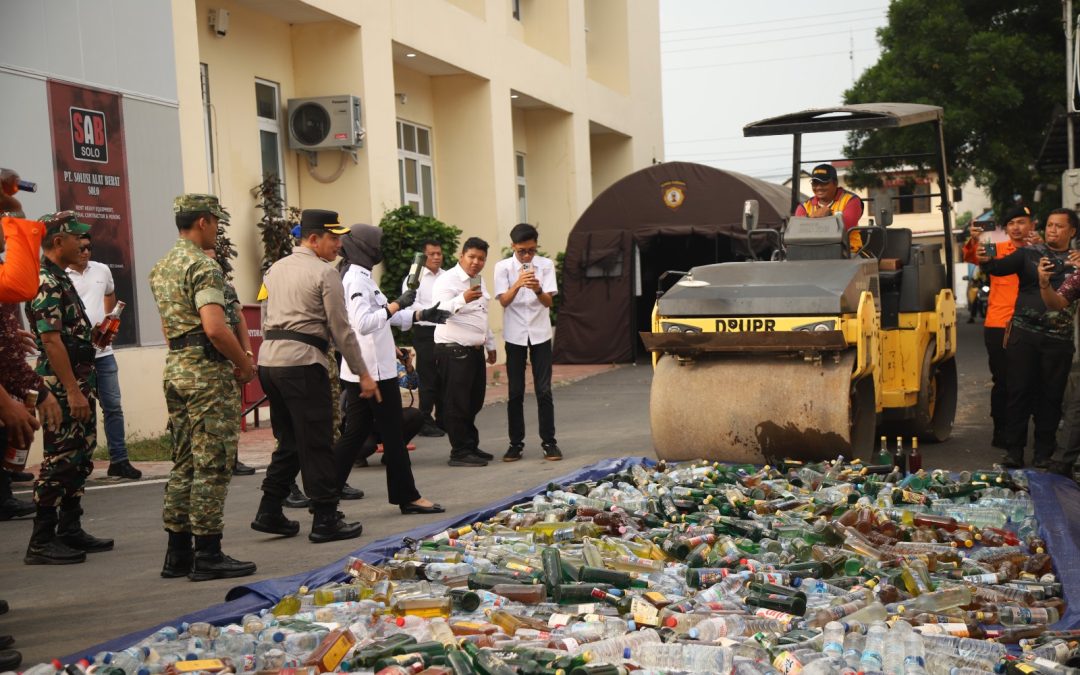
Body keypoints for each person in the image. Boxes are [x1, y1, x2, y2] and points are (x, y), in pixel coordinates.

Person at [149, 194, 256, 581]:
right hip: (207, 373)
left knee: (184, 463)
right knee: (212, 462)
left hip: (177, 366)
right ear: (204, 222)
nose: (217, 230)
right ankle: (208, 553)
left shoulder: (162, 266)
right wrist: (244, 364)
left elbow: (168, 328)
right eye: (216, 223)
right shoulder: (202, 265)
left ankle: (177, 553)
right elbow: (214, 327)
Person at [252, 209, 376, 543]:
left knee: (291, 440)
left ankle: (269, 509)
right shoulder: (326, 273)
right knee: (318, 442)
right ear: (313, 239)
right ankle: (325, 518)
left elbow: (264, 316)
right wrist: (362, 372)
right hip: (303, 365)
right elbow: (341, 329)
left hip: (271, 364)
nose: (339, 245)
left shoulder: (273, 270)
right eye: (333, 238)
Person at [333, 223, 448, 513]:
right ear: (365, 247)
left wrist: (421, 314)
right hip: (372, 369)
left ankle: (324, 490)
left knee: (355, 433)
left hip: (367, 368)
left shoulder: (363, 276)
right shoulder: (356, 280)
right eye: (377, 245)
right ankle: (407, 496)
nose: (380, 250)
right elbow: (364, 322)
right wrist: (396, 305)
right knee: (393, 434)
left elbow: (388, 316)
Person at [24, 211, 113, 565]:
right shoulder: (45, 279)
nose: (84, 243)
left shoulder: (61, 277)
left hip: (78, 378)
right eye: (78, 237)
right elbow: (50, 340)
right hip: (62, 385)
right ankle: (42, 540)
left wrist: (93, 338)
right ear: (58, 241)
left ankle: (69, 527)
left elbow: (68, 335)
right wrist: (72, 390)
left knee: (80, 455)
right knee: (60, 459)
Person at [982, 207, 1080, 469]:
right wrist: (986, 244)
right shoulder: (1028, 253)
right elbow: (995, 267)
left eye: (1059, 226)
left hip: (1059, 340)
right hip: (1023, 336)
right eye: (1049, 225)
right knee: (1019, 391)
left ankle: (1043, 452)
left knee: (1051, 397)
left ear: (1072, 231)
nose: (1052, 230)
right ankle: (1014, 451)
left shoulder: (1077, 261)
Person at [66, 234, 141, 480]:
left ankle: (119, 460)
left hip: (103, 353)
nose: (86, 252)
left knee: (113, 407)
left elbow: (110, 293)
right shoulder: (61, 275)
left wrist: (110, 321)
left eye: (89, 248)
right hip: (77, 355)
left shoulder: (102, 270)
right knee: (81, 410)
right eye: (81, 248)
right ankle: (79, 463)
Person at [961, 208, 1037, 449]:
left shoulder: (1040, 250)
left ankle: (1028, 434)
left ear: (1032, 225)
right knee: (1003, 381)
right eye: (1011, 223)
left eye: (1021, 222)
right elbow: (973, 257)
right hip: (999, 324)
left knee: (1030, 381)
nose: (1016, 227)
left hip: (1033, 324)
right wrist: (974, 239)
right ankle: (1001, 431)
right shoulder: (998, 249)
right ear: (1006, 229)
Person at [494, 223, 561, 462]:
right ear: (513, 246)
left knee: (544, 390)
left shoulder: (545, 265)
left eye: (531, 250)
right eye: (522, 251)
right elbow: (503, 301)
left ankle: (549, 442)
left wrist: (537, 289)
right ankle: (515, 444)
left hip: (540, 332)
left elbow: (548, 302)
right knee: (515, 391)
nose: (527, 256)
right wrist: (518, 284)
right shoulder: (502, 267)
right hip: (515, 334)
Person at [432, 237, 497, 467]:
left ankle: (470, 445)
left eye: (481, 259)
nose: (476, 262)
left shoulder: (478, 280)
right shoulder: (446, 280)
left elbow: (481, 313)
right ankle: (459, 451)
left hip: (474, 350)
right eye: (472, 257)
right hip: (453, 350)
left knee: (474, 400)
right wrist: (462, 298)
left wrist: (490, 343)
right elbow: (438, 311)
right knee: (457, 402)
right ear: (461, 256)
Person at [201, 245, 257, 477]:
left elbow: (239, 318)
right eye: (208, 257)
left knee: (232, 410)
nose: (212, 261)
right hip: (208, 358)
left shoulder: (225, 285)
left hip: (232, 354)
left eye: (215, 258)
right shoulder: (198, 283)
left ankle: (232, 458)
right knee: (211, 415)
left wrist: (247, 353)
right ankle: (214, 460)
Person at [402, 239, 447, 438]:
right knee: (428, 377)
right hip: (425, 331)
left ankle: (443, 419)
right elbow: (409, 305)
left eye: (439, 253)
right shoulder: (414, 277)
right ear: (423, 256)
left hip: (444, 330)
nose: (436, 257)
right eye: (431, 254)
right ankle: (425, 420)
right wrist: (429, 312)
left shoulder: (447, 276)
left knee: (444, 376)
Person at [793, 163, 864, 251]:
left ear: (835, 183)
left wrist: (812, 220)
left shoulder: (852, 200)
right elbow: (797, 232)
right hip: (811, 252)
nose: (818, 187)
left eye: (824, 183)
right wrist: (815, 216)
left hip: (849, 252)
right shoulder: (803, 207)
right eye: (815, 183)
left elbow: (842, 229)